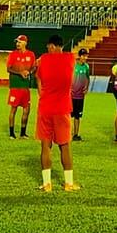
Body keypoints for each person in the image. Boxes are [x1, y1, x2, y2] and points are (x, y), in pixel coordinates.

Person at [33, 35, 81, 193]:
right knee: (65, 146)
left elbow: (37, 75)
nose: (47, 50)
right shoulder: (70, 59)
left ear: (52, 46)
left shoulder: (43, 60)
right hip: (63, 108)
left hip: (46, 107)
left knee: (45, 146)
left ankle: (47, 184)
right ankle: (68, 183)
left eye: (48, 47)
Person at [5, 34, 37, 139]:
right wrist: (20, 73)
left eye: (19, 42)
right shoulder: (13, 55)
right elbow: (8, 69)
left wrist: (29, 72)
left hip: (25, 87)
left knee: (26, 110)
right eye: (17, 42)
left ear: (25, 43)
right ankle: (11, 133)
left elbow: (34, 67)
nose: (17, 44)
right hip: (15, 86)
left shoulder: (31, 54)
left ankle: (23, 133)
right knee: (13, 109)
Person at [70, 46, 91, 134]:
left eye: (86, 56)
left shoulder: (86, 67)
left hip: (80, 96)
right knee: (68, 115)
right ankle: (66, 133)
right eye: (83, 56)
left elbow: (88, 78)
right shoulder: (73, 65)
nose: (85, 58)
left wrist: (86, 87)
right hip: (71, 95)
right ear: (79, 56)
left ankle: (76, 134)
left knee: (77, 116)